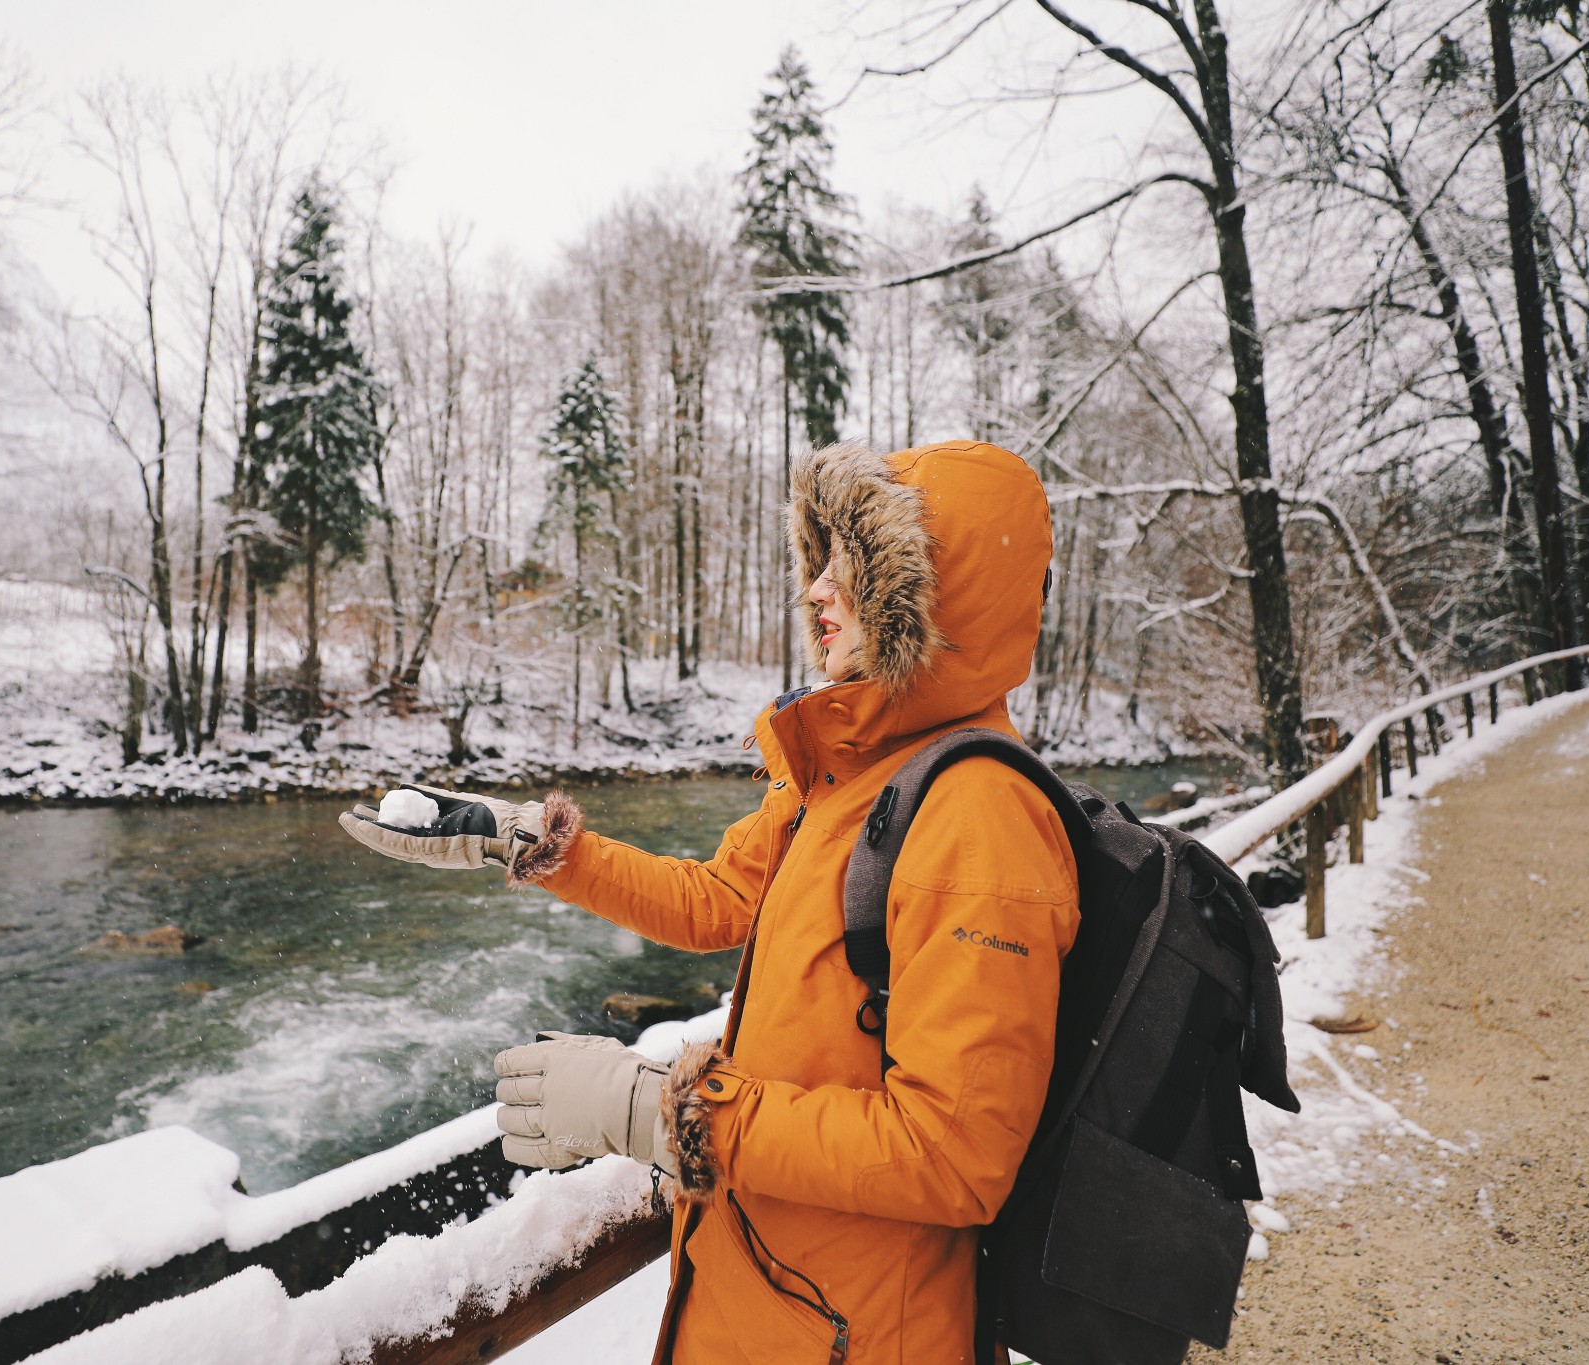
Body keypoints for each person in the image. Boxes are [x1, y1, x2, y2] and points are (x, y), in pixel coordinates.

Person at [342, 439, 1077, 1364]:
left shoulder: (981, 822)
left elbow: (952, 1154)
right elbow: (717, 898)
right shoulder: (849, 772)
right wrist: (525, 838)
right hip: (764, 1299)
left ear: (933, 599)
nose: (815, 591)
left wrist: (665, 1113)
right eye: (819, 562)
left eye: (850, 568)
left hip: (860, 1331)